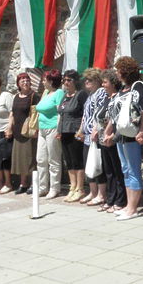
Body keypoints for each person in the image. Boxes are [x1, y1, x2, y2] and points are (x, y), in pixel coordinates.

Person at [104, 56, 143, 221]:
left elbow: (142, 110)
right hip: (121, 136)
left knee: (134, 171)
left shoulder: (138, 87)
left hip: (132, 136)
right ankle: (129, 205)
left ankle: (132, 208)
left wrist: (142, 131)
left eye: (118, 69)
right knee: (126, 170)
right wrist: (109, 132)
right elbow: (113, 116)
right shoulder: (122, 90)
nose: (116, 73)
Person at [94, 69, 126, 213]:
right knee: (109, 171)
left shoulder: (117, 98)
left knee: (117, 170)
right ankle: (110, 198)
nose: (103, 84)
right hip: (102, 139)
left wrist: (110, 135)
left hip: (112, 139)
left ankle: (120, 200)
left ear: (113, 83)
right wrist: (95, 129)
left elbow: (116, 118)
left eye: (105, 82)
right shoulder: (106, 98)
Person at [57, 69, 88, 202]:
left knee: (77, 161)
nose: (66, 82)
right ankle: (72, 186)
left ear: (75, 81)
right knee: (68, 161)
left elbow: (85, 114)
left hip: (75, 131)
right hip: (64, 132)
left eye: (69, 80)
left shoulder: (80, 95)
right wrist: (59, 130)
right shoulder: (65, 96)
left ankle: (80, 188)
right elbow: (62, 113)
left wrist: (81, 130)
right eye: (64, 80)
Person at [78, 68, 106, 205]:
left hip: (96, 134)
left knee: (98, 164)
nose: (87, 82)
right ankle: (92, 192)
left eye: (90, 80)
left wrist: (96, 129)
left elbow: (100, 113)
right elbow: (86, 115)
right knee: (88, 163)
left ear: (97, 81)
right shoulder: (90, 95)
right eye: (86, 80)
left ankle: (101, 194)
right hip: (87, 135)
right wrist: (81, 129)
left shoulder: (100, 93)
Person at [8, 73, 40, 195]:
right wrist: (9, 127)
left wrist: (36, 129)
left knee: (31, 158)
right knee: (21, 159)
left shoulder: (34, 96)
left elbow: (37, 114)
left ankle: (33, 184)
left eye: (27, 79)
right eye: (22, 80)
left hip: (29, 132)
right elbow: (12, 113)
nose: (25, 82)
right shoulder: (16, 97)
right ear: (18, 83)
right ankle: (23, 183)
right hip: (17, 131)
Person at [35, 70, 64, 198]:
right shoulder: (46, 92)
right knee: (41, 159)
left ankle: (54, 188)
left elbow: (60, 113)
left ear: (51, 81)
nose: (42, 82)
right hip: (42, 129)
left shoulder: (59, 93)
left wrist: (59, 129)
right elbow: (39, 109)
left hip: (52, 128)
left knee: (54, 159)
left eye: (44, 79)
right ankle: (42, 187)